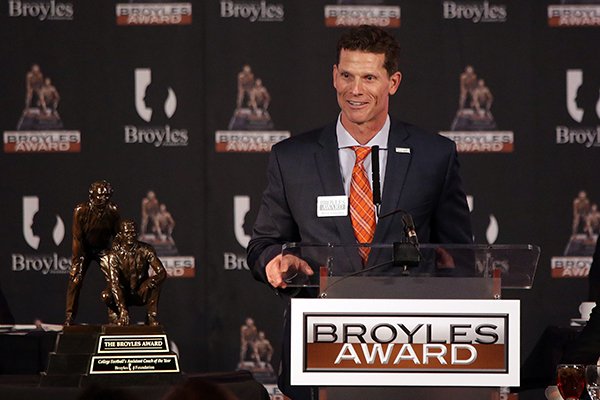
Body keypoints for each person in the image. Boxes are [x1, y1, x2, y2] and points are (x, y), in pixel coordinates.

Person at [247, 25, 472, 399]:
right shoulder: (292, 158)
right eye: (347, 75)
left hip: (410, 350)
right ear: (334, 76)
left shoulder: (434, 156)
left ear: (393, 82)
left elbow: (461, 256)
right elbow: (263, 244)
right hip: (319, 349)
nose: (355, 90)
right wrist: (275, 261)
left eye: (369, 77)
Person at [65, 181, 121, 325]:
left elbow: (117, 236)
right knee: (75, 280)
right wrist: (76, 263)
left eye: (107, 196)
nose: (104, 199)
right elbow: (77, 239)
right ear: (92, 196)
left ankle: (115, 315)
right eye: (100, 196)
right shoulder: (80, 211)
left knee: (115, 279)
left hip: (103, 249)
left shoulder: (113, 210)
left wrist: (118, 258)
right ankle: (69, 316)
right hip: (84, 249)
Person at [104, 220, 166, 326]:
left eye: (132, 233)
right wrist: (123, 310)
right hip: (122, 292)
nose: (130, 236)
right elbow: (115, 283)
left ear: (137, 234)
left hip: (140, 290)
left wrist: (154, 280)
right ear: (121, 234)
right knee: (106, 295)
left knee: (154, 283)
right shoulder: (114, 255)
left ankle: (151, 317)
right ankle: (116, 315)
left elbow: (162, 272)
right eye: (127, 233)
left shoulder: (146, 249)